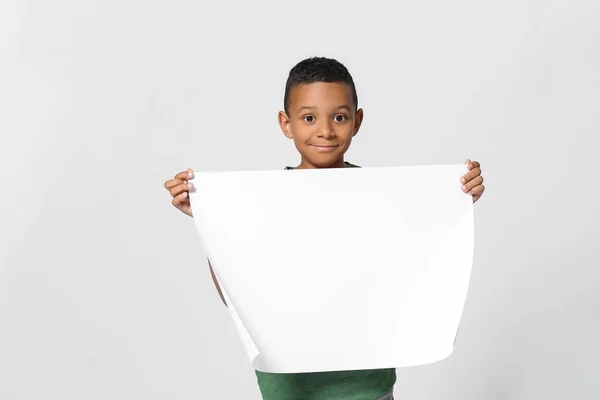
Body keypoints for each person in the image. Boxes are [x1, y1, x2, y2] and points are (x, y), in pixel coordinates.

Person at [163, 57, 486, 400]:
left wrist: (454, 202)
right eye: (308, 118)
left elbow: (414, 266)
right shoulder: (260, 203)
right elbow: (239, 296)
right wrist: (212, 221)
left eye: (340, 117)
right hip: (290, 388)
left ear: (357, 121)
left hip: (366, 387)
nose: (325, 131)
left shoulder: (384, 197)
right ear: (286, 124)